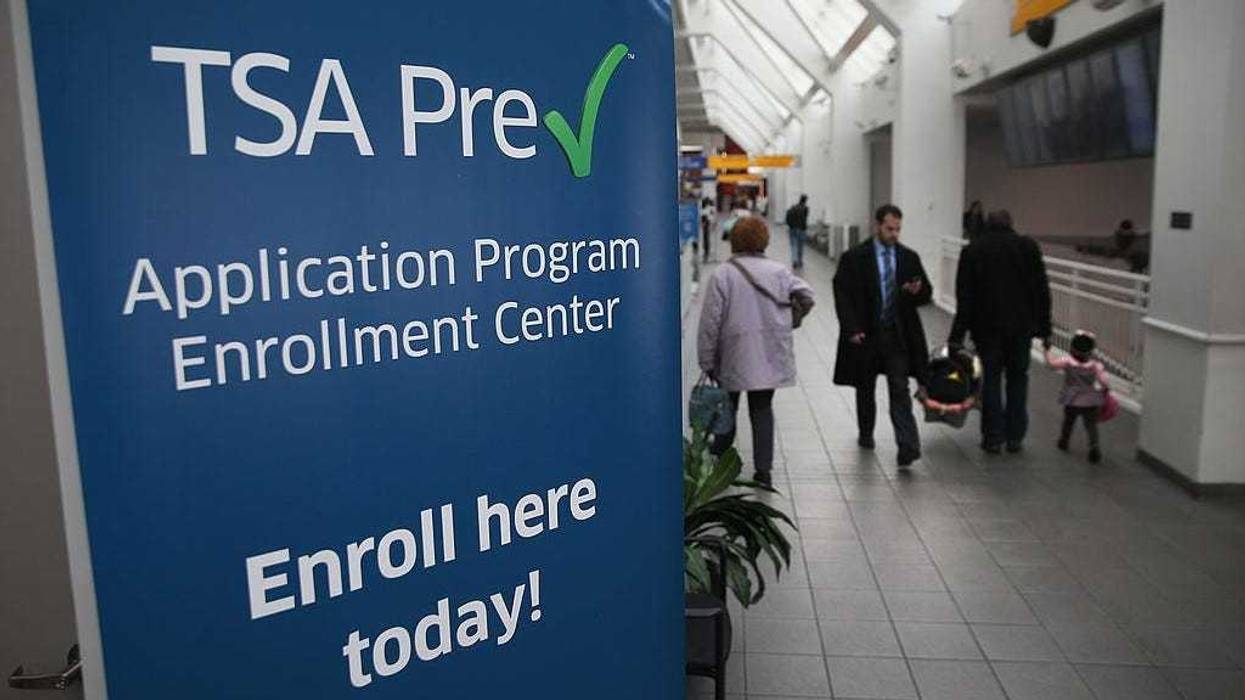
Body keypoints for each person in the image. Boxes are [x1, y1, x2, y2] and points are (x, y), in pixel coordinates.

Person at [698, 216, 815, 486]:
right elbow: (808, 294)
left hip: (734, 353)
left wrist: (706, 360)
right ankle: (763, 470)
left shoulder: (723, 274)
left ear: (734, 241)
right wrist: (794, 317)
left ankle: (721, 462)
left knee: (727, 408)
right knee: (762, 409)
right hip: (769, 352)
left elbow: (710, 323)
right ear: (764, 239)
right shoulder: (779, 272)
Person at [832, 204, 932, 468]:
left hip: (897, 336)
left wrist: (916, 291)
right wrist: (851, 328)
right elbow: (842, 294)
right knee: (865, 388)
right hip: (867, 335)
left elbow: (927, 293)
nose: (894, 234)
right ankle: (866, 433)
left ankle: (907, 446)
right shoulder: (855, 258)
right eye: (889, 228)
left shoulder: (908, 258)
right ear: (877, 226)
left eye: (898, 229)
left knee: (899, 389)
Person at [948, 210, 1052, 454]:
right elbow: (1041, 290)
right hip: (1021, 330)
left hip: (987, 330)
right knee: (1018, 378)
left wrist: (956, 336)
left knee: (991, 380)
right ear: (1011, 224)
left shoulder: (973, 250)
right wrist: (1045, 328)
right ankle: (1015, 436)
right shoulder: (1028, 248)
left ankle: (993, 436)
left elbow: (965, 298)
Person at [1044, 331, 1109, 463]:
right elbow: (1104, 381)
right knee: (1091, 425)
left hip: (1071, 399)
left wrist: (1047, 350)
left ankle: (1064, 440)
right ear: (1091, 352)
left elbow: (1051, 364)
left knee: (1068, 421)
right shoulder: (1096, 366)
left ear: (1072, 349)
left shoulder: (1067, 361)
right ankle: (1094, 446)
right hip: (1090, 400)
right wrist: (1104, 389)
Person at [785, 194, 810, 270]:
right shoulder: (805, 208)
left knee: (793, 246)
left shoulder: (793, 207)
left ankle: (794, 261)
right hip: (801, 229)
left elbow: (787, 218)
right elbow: (805, 219)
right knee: (800, 246)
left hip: (792, 229)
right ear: (805, 200)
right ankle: (800, 261)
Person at [699, 197, 715, 262]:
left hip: (705, 226)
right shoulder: (706, 209)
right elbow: (709, 217)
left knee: (706, 239)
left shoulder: (704, 209)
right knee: (706, 239)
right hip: (706, 225)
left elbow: (708, 218)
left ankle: (706, 251)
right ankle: (706, 251)